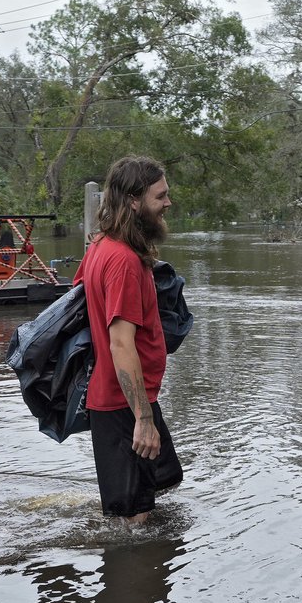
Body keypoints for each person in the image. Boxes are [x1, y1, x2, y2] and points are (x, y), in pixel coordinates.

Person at [74, 155, 183, 524]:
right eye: (160, 196)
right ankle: (131, 575)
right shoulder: (121, 260)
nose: (168, 203)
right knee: (135, 521)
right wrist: (143, 419)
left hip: (125, 400)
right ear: (134, 201)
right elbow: (121, 344)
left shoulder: (102, 248)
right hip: (122, 406)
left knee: (166, 477)